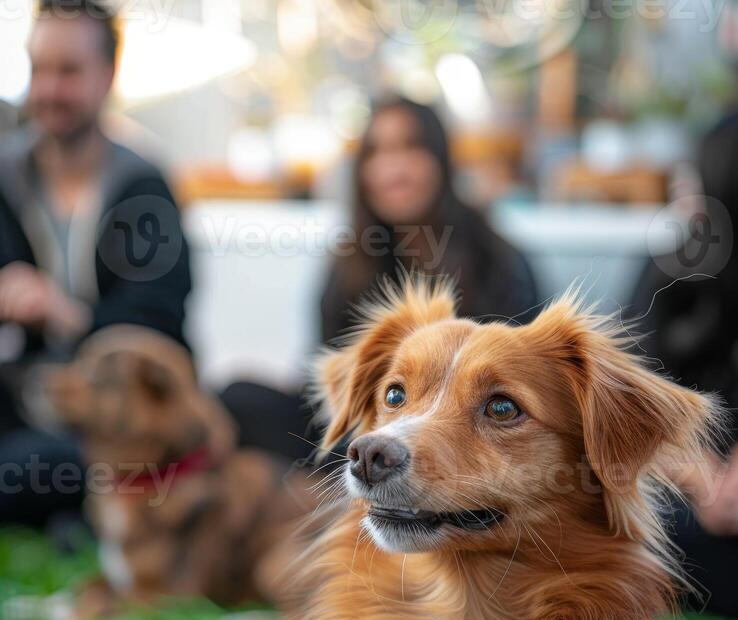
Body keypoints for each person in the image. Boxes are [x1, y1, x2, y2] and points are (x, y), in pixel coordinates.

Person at [222, 96, 539, 462]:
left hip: (464, 435)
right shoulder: (350, 261)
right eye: (377, 153)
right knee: (238, 397)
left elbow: (522, 384)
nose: (393, 169)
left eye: (410, 148)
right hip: (362, 427)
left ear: (441, 160)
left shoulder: (497, 259)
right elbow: (323, 375)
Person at [0, 0, 191, 528]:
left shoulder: (143, 187)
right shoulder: (5, 175)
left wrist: (65, 314)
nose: (49, 90)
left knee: (41, 465)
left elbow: (160, 325)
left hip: (111, 417)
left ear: (107, 76)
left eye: (68, 71)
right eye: (39, 69)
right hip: (20, 400)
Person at [629, 112, 738, 617]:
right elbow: (627, 397)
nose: (681, 190)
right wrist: (701, 476)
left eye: (695, 177)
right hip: (681, 496)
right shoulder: (667, 270)